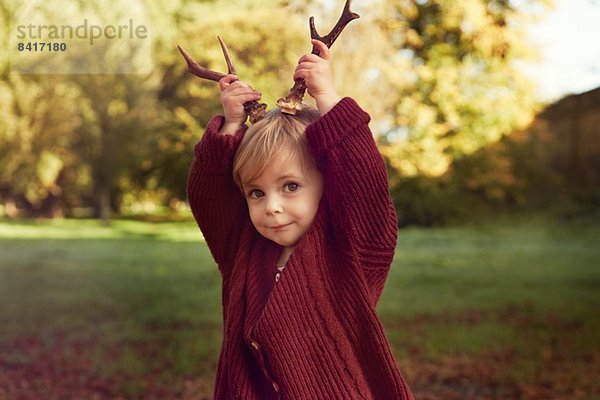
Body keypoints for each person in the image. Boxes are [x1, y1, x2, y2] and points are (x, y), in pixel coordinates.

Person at [188, 39, 414, 399]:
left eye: (290, 186)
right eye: (256, 193)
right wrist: (231, 125)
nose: (271, 207)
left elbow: (364, 186)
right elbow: (210, 199)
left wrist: (327, 96)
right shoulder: (241, 253)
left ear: (327, 184)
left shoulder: (349, 253)